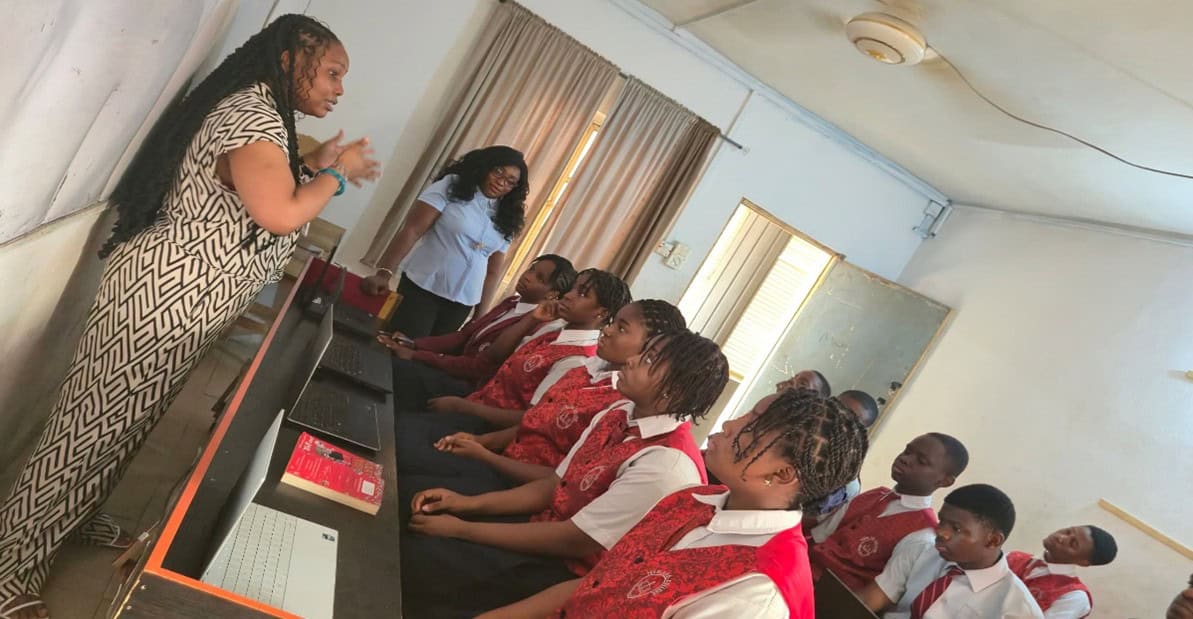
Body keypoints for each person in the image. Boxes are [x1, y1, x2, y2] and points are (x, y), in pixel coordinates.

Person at [0, 15, 381, 619]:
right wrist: (336, 175)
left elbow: (260, 194)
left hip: (183, 303)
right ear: (290, 61)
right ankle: (8, 568)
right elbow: (279, 213)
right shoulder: (253, 115)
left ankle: (70, 523)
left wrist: (317, 165)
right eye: (332, 72)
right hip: (162, 302)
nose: (338, 89)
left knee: (121, 431)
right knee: (85, 436)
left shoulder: (266, 115)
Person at [399, 331, 729, 617]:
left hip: (561, 573)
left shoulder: (666, 463)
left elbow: (572, 540)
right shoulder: (620, 412)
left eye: (649, 359)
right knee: (413, 499)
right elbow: (554, 486)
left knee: (419, 556)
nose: (632, 359)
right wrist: (465, 505)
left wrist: (463, 529)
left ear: (673, 389)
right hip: (540, 528)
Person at [481, 389, 871, 619]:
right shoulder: (693, 499)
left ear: (783, 475)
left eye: (753, 426)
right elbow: (596, 586)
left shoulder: (759, 590)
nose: (731, 424)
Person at [432, 300, 688, 485]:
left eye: (622, 329)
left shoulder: (619, 402)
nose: (607, 330)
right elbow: (536, 421)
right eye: (612, 323)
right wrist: (481, 443)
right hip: (499, 455)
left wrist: (484, 452)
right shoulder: (589, 368)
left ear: (649, 348)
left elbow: (561, 479)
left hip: (518, 484)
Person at [360, 145, 530, 338]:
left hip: (462, 302)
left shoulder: (508, 215)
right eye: (498, 172)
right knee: (399, 347)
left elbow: (493, 271)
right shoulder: (453, 185)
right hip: (423, 287)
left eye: (510, 181)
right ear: (486, 166)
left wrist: (480, 317)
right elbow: (413, 229)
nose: (501, 182)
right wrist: (384, 273)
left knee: (424, 360)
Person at [381, 254, 576, 409]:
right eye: (531, 270)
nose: (528, 276)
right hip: (453, 369)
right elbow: (463, 336)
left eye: (539, 278)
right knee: (388, 350)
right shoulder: (512, 303)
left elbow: (478, 368)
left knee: (397, 370)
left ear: (552, 294)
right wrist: (415, 344)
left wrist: (416, 356)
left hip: (468, 386)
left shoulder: (532, 326)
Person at [857, 484, 1044, 618]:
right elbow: (869, 600)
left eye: (956, 529)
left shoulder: (1017, 609)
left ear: (993, 540)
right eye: (942, 521)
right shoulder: (921, 546)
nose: (941, 532)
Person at [809, 433, 968, 591]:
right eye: (907, 451)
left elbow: (879, 593)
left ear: (944, 481)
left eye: (921, 461)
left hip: (828, 596)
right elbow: (819, 537)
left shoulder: (923, 532)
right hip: (804, 569)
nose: (905, 459)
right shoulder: (876, 494)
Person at [1006, 525, 1117, 617]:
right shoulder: (1014, 557)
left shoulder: (1074, 596)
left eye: (1073, 544)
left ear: (1083, 562)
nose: (1061, 537)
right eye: (1068, 531)